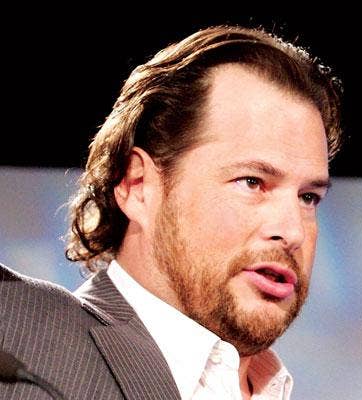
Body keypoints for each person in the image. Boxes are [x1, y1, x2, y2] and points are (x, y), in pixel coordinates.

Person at [0, 24, 342, 399]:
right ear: (138, 185)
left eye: (308, 197)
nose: (293, 232)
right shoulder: (21, 340)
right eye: (252, 182)